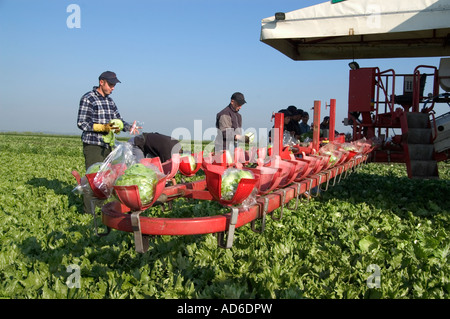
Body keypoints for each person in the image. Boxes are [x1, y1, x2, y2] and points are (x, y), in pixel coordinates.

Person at [77, 71, 132, 214]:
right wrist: (102, 127)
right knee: (94, 179)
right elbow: (82, 123)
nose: (113, 87)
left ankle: (103, 211)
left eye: (114, 85)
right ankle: (89, 213)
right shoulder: (88, 98)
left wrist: (129, 126)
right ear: (102, 82)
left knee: (107, 179)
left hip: (108, 146)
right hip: (93, 145)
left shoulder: (110, 101)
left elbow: (118, 120)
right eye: (111, 84)